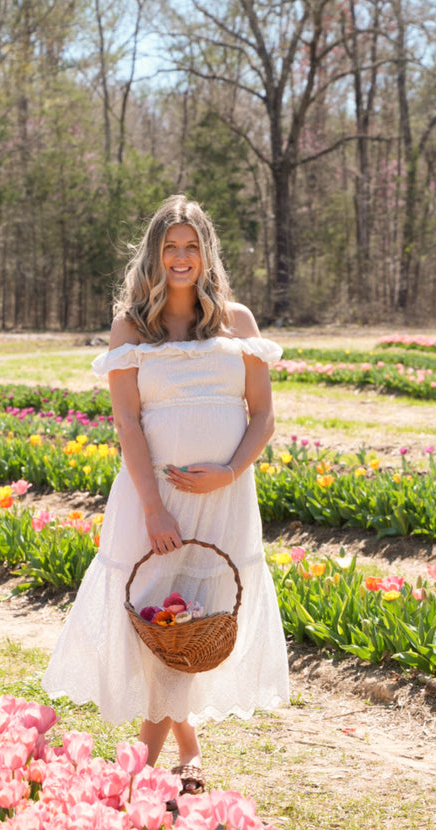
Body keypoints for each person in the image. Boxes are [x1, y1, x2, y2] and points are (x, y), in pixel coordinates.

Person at [42, 195, 289, 796]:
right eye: (169, 247)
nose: (181, 258)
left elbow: (263, 419)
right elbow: (127, 423)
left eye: (191, 246)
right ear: (154, 256)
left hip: (225, 497)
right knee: (152, 616)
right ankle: (160, 758)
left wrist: (228, 473)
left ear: (206, 254)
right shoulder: (131, 328)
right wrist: (153, 506)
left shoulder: (240, 322)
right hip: (152, 497)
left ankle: (160, 758)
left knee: (196, 616)